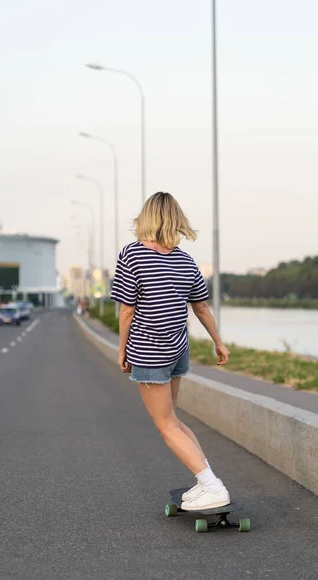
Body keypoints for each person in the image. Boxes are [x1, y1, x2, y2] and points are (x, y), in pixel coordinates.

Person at [111, 192, 231, 511]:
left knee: (165, 426)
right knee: (173, 420)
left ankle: (212, 485)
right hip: (177, 349)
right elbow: (201, 307)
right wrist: (219, 342)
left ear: (146, 218)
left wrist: (122, 350)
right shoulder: (184, 260)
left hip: (150, 350)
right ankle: (204, 482)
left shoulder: (132, 254)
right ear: (176, 220)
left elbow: (126, 310)